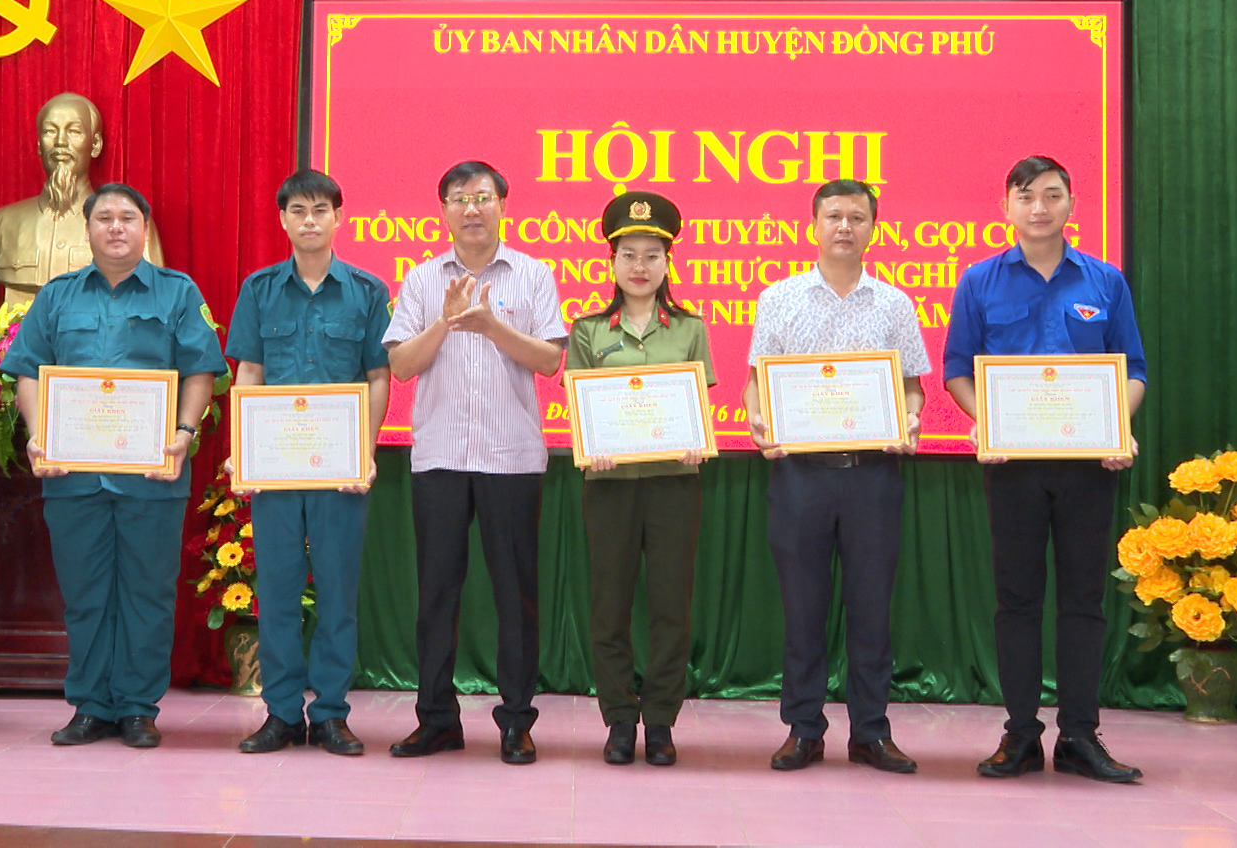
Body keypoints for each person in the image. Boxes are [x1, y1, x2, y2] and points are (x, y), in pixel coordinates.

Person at [944, 155, 1147, 783]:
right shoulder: (979, 281)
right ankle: (1020, 735)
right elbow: (957, 369)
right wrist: (987, 421)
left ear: (1071, 205)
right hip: (1013, 467)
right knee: (1017, 600)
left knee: (1085, 599)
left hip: (1089, 466)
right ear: (1006, 206)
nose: (1039, 207)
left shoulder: (1105, 282)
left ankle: (1080, 736)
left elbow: (1133, 370)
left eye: (1052, 195)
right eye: (1026, 195)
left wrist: (1117, 425)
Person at [1, 183, 225, 748]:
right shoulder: (57, 296)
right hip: (73, 475)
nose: (116, 227)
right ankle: (90, 705)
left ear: (145, 228)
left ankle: (138, 707)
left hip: (152, 473)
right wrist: (39, 435)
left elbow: (200, 369)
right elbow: (29, 370)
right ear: (88, 229)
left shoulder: (177, 293)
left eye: (128, 217)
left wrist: (183, 433)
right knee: (85, 593)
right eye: (104, 218)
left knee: (148, 593)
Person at [744, 179, 931, 775]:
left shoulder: (895, 304)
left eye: (857, 217)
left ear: (874, 227)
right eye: (834, 216)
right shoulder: (778, 299)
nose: (845, 226)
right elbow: (757, 382)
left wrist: (910, 419)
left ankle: (871, 732)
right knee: (803, 610)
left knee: (871, 609)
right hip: (800, 476)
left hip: (872, 474)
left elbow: (912, 388)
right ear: (814, 226)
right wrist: (757, 418)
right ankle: (803, 729)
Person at [383, 160, 566, 765]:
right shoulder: (421, 279)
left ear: (502, 205)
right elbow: (402, 366)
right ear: (443, 211)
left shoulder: (533, 275)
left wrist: (490, 326)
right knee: (436, 593)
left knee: (517, 595)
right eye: (459, 198)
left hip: (511, 456)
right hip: (439, 456)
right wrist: (446, 320)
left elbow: (549, 361)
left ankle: (516, 721)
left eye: (483, 197)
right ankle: (436, 719)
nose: (472, 208)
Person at [223, 170, 393, 757]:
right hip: (275, 469)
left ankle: (330, 715)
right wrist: (244, 450)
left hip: (339, 471)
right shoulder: (259, 289)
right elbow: (249, 371)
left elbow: (377, 376)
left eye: (321, 209)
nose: (310, 220)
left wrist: (365, 451)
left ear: (339, 218)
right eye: (298, 210)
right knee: (277, 591)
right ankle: (280, 714)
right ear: (283, 220)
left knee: (338, 594)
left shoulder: (367, 291)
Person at [564, 191, 712, 767]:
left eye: (652, 255)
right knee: (610, 607)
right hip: (610, 486)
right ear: (612, 262)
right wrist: (592, 449)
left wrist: (693, 436)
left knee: (671, 607)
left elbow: (696, 402)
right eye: (629, 254)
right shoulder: (588, 331)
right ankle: (620, 720)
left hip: (675, 483)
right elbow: (581, 407)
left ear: (668, 263)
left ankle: (662, 720)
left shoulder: (690, 328)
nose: (640, 266)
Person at [0, 92, 164, 306]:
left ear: (95, 145)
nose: (60, 142)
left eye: (74, 131)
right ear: (39, 145)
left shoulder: (133, 227)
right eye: (50, 131)